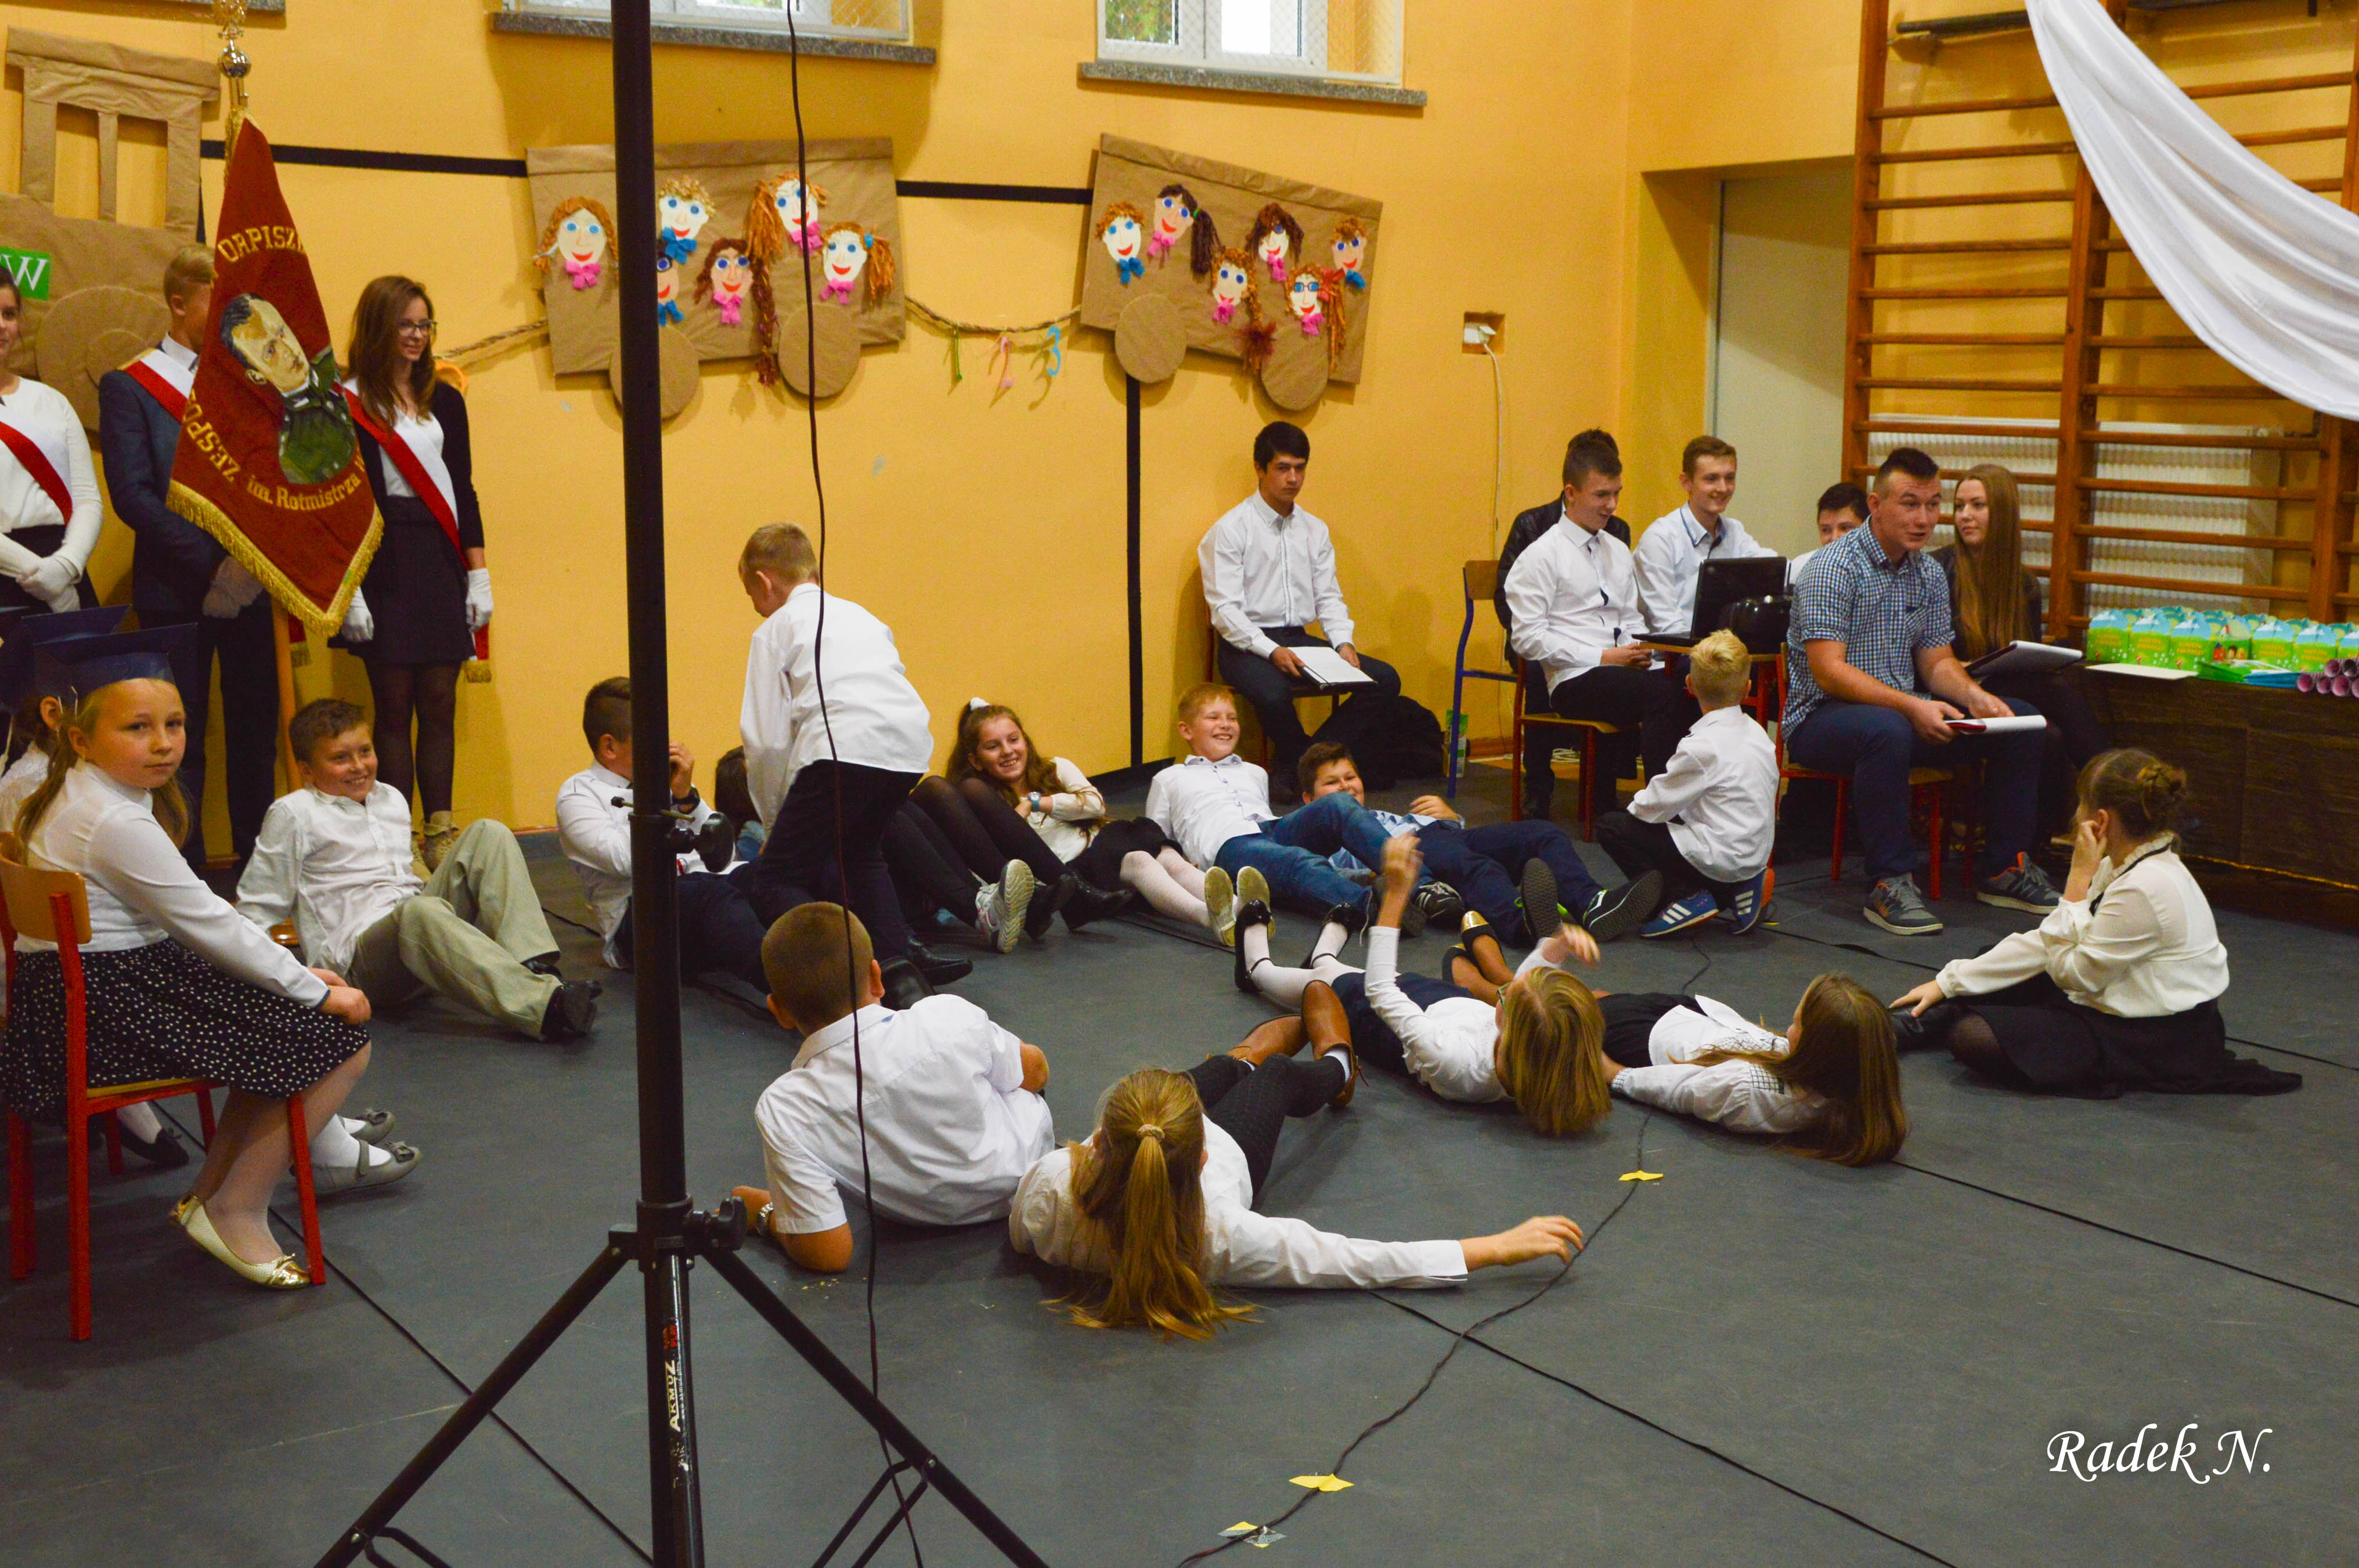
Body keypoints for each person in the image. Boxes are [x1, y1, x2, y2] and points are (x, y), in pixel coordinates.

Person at [0, 634, 406, 1288]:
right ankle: (236, 1206)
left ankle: (213, 1196)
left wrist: (296, 980)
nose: (163, 743)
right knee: (338, 1040)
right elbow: (207, 923)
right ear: (81, 739)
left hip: (80, 993)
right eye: (137, 728)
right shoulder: (113, 822)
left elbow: (200, 919)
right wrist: (314, 990)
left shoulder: (74, 792)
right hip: (105, 1012)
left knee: (275, 1026)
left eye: (175, 724)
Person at [1009, 1040, 1585, 1339]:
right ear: (1201, 1158)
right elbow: (1354, 1260)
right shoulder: (1221, 1234)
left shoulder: (1050, 1193)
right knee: (1279, 1073)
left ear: (1100, 1142)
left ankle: (1236, 1063)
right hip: (1237, 1153)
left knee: (1219, 1070)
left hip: (1151, 1140)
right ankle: (1339, 1066)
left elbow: (1020, 1230)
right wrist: (1490, 1247)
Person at [1891, 750, 2300, 1099]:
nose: (2075, 813)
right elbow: (2047, 943)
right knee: (1995, 962)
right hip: (2111, 991)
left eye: (2080, 803)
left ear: (2100, 821)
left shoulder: (2144, 887)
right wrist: (1948, 982)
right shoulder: (2128, 862)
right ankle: (1931, 1015)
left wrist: (2075, 882)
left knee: (1973, 1036)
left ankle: (1937, 1021)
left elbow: (2072, 974)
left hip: (2156, 1037)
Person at [1781, 447, 2059, 937]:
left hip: (1897, 714)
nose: (1924, 519)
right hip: (1822, 719)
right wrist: (1913, 706)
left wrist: (1974, 697)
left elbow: (1937, 663)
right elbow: (1829, 672)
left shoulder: (1927, 572)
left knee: (2020, 722)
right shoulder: (1832, 568)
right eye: (1910, 504)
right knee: (1886, 730)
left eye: (1933, 505)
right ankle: (1889, 881)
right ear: (1876, 505)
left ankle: (2005, 867)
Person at [238, 699, 598, 1043]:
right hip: (360, 967)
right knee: (418, 911)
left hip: (419, 935)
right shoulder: (293, 814)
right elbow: (257, 908)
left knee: (489, 833)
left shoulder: (391, 798)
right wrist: (264, 992)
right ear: (306, 770)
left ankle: (534, 969)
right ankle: (544, 1008)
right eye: (340, 758)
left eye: (365, 751)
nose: (359, 766)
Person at [727, 904, 1054, 1274]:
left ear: (780, 1011)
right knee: (995, 1061)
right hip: (1028, 1175)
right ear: (876, 977)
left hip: (925, 1221)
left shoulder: (784, 1107)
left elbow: (828, 1253)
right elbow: (1035, 1073)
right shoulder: (948, 1015)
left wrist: (769, 1213)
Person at [1235, 834, 1615, 1136]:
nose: (1509, 986)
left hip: (1373, 1019)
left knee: (1310, 981)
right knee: (1332, 969)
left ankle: (1254, 962)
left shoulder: (1456, 1063)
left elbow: (1381, 991)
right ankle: (1324, 955)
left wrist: (1397, 896)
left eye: (1510, 994)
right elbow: (1533, 1000)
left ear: (1509, 1025)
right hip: (1443, 1003)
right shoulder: (1546, 1059)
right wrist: (1557, 945)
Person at [96, 246, 279, 870]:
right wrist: (214, 564)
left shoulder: (249, 381)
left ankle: (260, 868)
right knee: (178, 739)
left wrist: (250, 565)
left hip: (252, 588)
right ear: (179, 303)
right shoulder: (130, 385)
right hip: (176, 590)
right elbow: (133, 495)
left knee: (256, 733)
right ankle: (186, 873)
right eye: (216, 300)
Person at [737, 522, 936, 1009]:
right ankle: (902, 983)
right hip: (908, 747)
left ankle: (840, 990)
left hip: (840, 748)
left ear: (764, 582)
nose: (756, 606)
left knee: (776, 879)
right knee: (861, 855)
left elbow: (766, 741)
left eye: (751, 595)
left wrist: (774, 820)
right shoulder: (862, 616)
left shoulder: (775, 629)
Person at [341, 276, 493, 872]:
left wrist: (479, 574)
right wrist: (351, 589)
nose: (417, 335)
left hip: (438, 554)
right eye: (405, 324)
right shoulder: (349, 402)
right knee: (393, 703)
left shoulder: (444, 398)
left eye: (424, 324)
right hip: (382, 558)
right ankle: (397, 834)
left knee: (439, 700)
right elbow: (343, 501)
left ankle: (441, 831)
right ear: (379, 327)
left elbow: (463, 489)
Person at [1200, 420, 1402, 803]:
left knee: (1384, 680)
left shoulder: (1314, 529)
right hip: (1245, 644)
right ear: (1260, 469)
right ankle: (1313, 764)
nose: (1293, 478)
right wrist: (1270, 650)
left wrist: (1343, 643)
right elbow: (1225, 611)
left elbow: (1328, 596)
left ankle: (1299, 764)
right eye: (1282, 468)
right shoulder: (1230, 529)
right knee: (1274, 693)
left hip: (1298, 639)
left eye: (1300, 468)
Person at [1504, 440, 1701, 827]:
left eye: (1616, 494)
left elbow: (1629, 617)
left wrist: (1638, 649)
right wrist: (1603, 656)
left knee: (1691, 682)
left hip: (1616, 668)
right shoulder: (1541, 555)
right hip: (1572, 679)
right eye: (1601, 495)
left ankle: (1696, 806)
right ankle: (1661, 817)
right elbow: (1526, 639)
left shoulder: (1616, 549)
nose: (1611, 505)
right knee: (1662, 697)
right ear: (1571, 493)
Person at [1297, 740, 1660, 944]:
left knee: (1542, 833)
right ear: (1310, 801)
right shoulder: (1328, 836)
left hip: (1446, 837)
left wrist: (1451, 818)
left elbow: (1453, 837)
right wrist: (1381, 875)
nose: (1346, 787)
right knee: (1476, 867)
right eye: (1332, 783)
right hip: (1416, 856)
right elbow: (1332, 873)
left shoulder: (1380, 813)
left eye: (1350, 777)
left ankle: (1593, 904)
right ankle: (1521, 923)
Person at [556, 676, 774, 994]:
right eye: (650, 737)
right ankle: (795, 991)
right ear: (610, 747)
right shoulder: (578, 794)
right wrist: (652, 793)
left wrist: (687, 798)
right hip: (638, 919)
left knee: (778, 872)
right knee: (710, 895)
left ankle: (839, 971)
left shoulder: (671, 782)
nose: (663, 747)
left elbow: (724, 856)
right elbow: (626, 861)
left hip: (703, 892)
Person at [1144, 683, 1401, 943]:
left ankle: (1417, 887)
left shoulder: (1254, 772)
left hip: (1272, 831)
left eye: (1232, 718)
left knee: (1338, 804)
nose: (1225, 725)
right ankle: (1378, 909)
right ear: (1186, 730)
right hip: (1229, 847)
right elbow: (1153, 840)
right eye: (1213, 717)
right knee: (1296, 860)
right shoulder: (1169, 778)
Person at [1933, 464, 2110, 832]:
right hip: (1951, 692)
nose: (1965, 516)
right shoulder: (1938, 571)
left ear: (2002, 512)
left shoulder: (2023, 583)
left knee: (2053, 728)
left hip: (2002, 689)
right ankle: (2120, 793)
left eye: (1977, 505)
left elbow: (2021, 655)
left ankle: (2036, 846)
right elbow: (1927, 656)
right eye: (1959, 506)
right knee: (2055, 699)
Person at [1597, 974, 1906, 1165]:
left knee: (1589, 1005)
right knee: (1603, 997)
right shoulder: (1848, 1074)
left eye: (1796, 1023)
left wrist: (1616, 1075)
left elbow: (1682, 1089)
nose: (1788, 1028)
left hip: (1652, 1040)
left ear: (1815, 1049)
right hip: (1699, 1021)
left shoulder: (1745, 1089)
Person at [1594, 630, 1779, 938]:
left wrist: (1635, 809)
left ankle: (1682, 897)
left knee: (1613, 826)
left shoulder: (1700, 746)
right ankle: (1739, 888)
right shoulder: (1759, 733)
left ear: (1690, 685)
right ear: (1748, 688)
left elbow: (1652, 807)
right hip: (1754, 855)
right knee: (1687, 822)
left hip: (1720, 857)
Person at [915, 699, 1137, 937]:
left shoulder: (1055, 768)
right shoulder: (976, 798)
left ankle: (1072, 895)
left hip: (1095, 846)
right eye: (993, 747)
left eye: (1013, 740)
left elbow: (1096, 805)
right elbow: (978, 865)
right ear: (975, 761)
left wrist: (1037, 803)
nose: (1007, 751)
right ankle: (1066, 897)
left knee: (1147, 857)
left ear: (1025, 741)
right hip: (1059, 867)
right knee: (951, 787)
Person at [1496, 429, 1630, 817]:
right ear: (1573, 484)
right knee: (1544, 673)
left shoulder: (1617, 531)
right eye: (1601, 492)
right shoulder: (1532, 524)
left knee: (1623, 678)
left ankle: (1602, 788)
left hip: (1599, 642)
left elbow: (1618, 602)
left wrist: (1615, 648)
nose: (1610, 504)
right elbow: (1507, 598)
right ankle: (1538, 787)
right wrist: (1570, 647)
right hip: (1540, 641)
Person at [0, 278, 99, 615]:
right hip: (11, 574)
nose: (2, 325)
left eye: (9, 314)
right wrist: (45, 581)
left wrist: (67, 565)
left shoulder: (52, 401)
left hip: (64, 567)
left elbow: (87, 499)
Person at [1633, 436, 1780, 638]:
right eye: (1712, 479)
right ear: (1686, 482)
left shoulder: (1734, 531)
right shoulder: (1660, 539)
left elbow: (1775, 568)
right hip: (1674, 651)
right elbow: (1668, 627)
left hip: (1722, 648)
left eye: (1730, 478)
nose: (1723, 488)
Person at [1788, 483, 1867, 587]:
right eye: (1826, 530)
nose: (1834, 538)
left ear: (1866, 527)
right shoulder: (1801, 568)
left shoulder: (1879, 569)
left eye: (1845, 528)